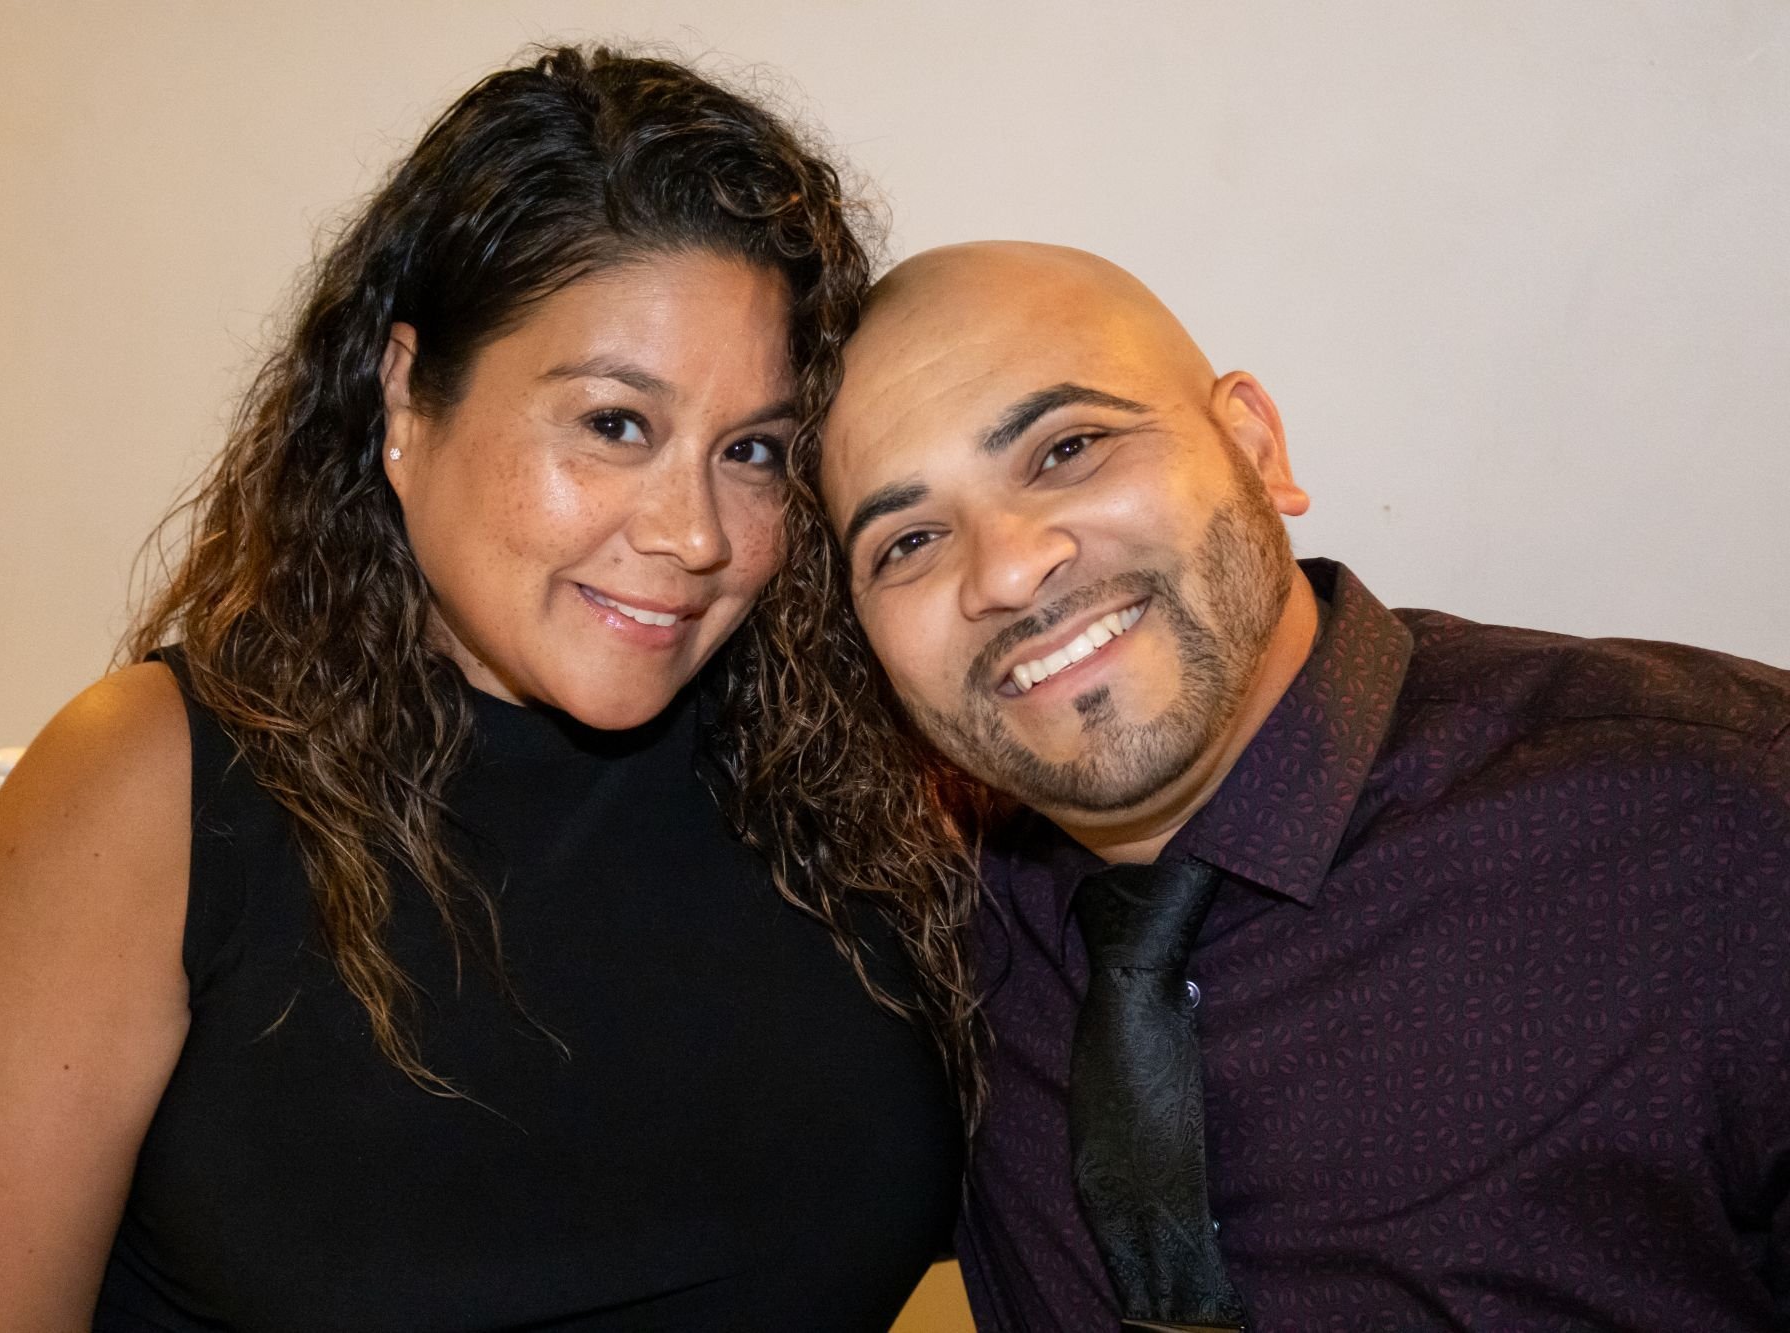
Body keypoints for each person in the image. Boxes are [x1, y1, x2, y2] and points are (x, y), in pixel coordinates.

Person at [0, 48, 971, 1333]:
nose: (693, 532)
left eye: (753, 450)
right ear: (405, 399)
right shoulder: (152, 792)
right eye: (613, 424)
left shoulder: (858, 795)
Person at [757, 240, 1790, 1330]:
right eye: (908, 540)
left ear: (1252, 444)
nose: (1008, 568)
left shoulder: (1726, 824)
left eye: (1067, 448)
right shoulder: (915, 942)